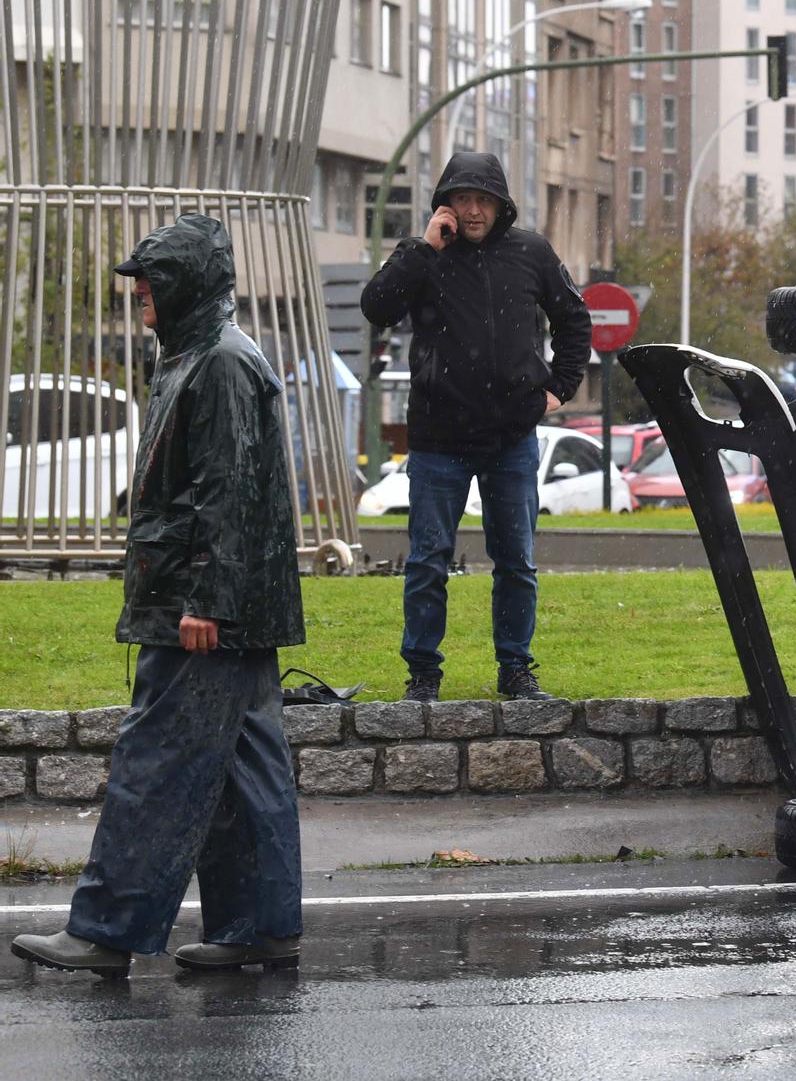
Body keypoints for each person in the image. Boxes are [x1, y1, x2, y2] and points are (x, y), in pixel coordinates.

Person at [11, 214, 306, 977]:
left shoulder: (219, 363)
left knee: (158, 761)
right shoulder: (196, 355)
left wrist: (206, 597)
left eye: (153, 278)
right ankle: (258, 924)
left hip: (201, 608)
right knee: (243, 762)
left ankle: (107, 929)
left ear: (187, 284)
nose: (139, 291)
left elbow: (228, 491)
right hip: (213, 602)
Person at [361, 151, 591, 702]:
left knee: (515, 560)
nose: (471, 210)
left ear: (499, 204)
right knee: (427, 561)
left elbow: (574, 319)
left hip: (511, 436)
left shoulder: (532, 252)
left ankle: (515, 669)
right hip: (439, 439)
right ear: (445, 203)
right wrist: (422, 248)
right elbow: (377, 307)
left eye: (481, 199)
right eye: (461, 198)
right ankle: (422, 674)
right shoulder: (423, 255)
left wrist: (559, 387)